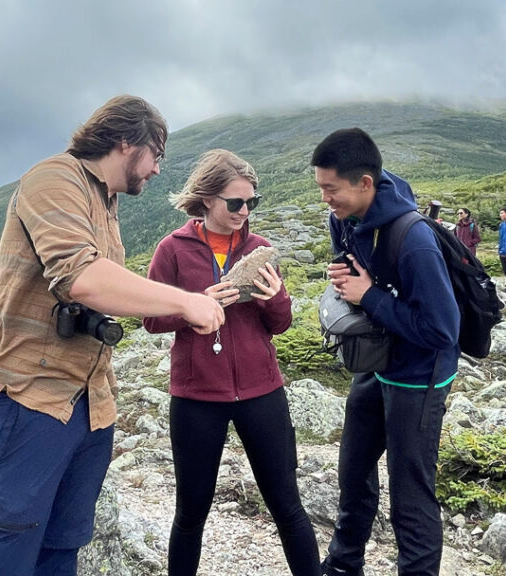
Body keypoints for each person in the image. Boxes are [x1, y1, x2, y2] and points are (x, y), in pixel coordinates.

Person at [0, 95, 225, 576]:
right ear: (127, 142)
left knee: (62, 549)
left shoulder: (107, 200)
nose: (158, 170)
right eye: (156, 154)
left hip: (89, 403)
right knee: (9, 553)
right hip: (27, 400)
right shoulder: (55, 178)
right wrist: (186, 301)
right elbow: (81, 277)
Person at [143, 149, 321, 576]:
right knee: (191, 513)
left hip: (263, 393)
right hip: (196, 396)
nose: (245, 211)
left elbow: (280, 324)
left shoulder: (261, 249)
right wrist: (193, 306)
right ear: (207, 199)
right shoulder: (173, 249)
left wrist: (274, 296)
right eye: (235, 202)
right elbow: (150, 319)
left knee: (287, 506)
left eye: (251, 202)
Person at [313, 128, 460, 576]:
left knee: (410, 495)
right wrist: (347, 281)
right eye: (320, 188)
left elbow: (441, 329)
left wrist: (369, 296)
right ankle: (342, 566)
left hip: (419, 376)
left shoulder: (413, 240)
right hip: (377, 367)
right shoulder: (345, 218)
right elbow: (355, 277)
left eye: (331, 189)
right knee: (353, 471)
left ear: (365, 184)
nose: (325, 200)